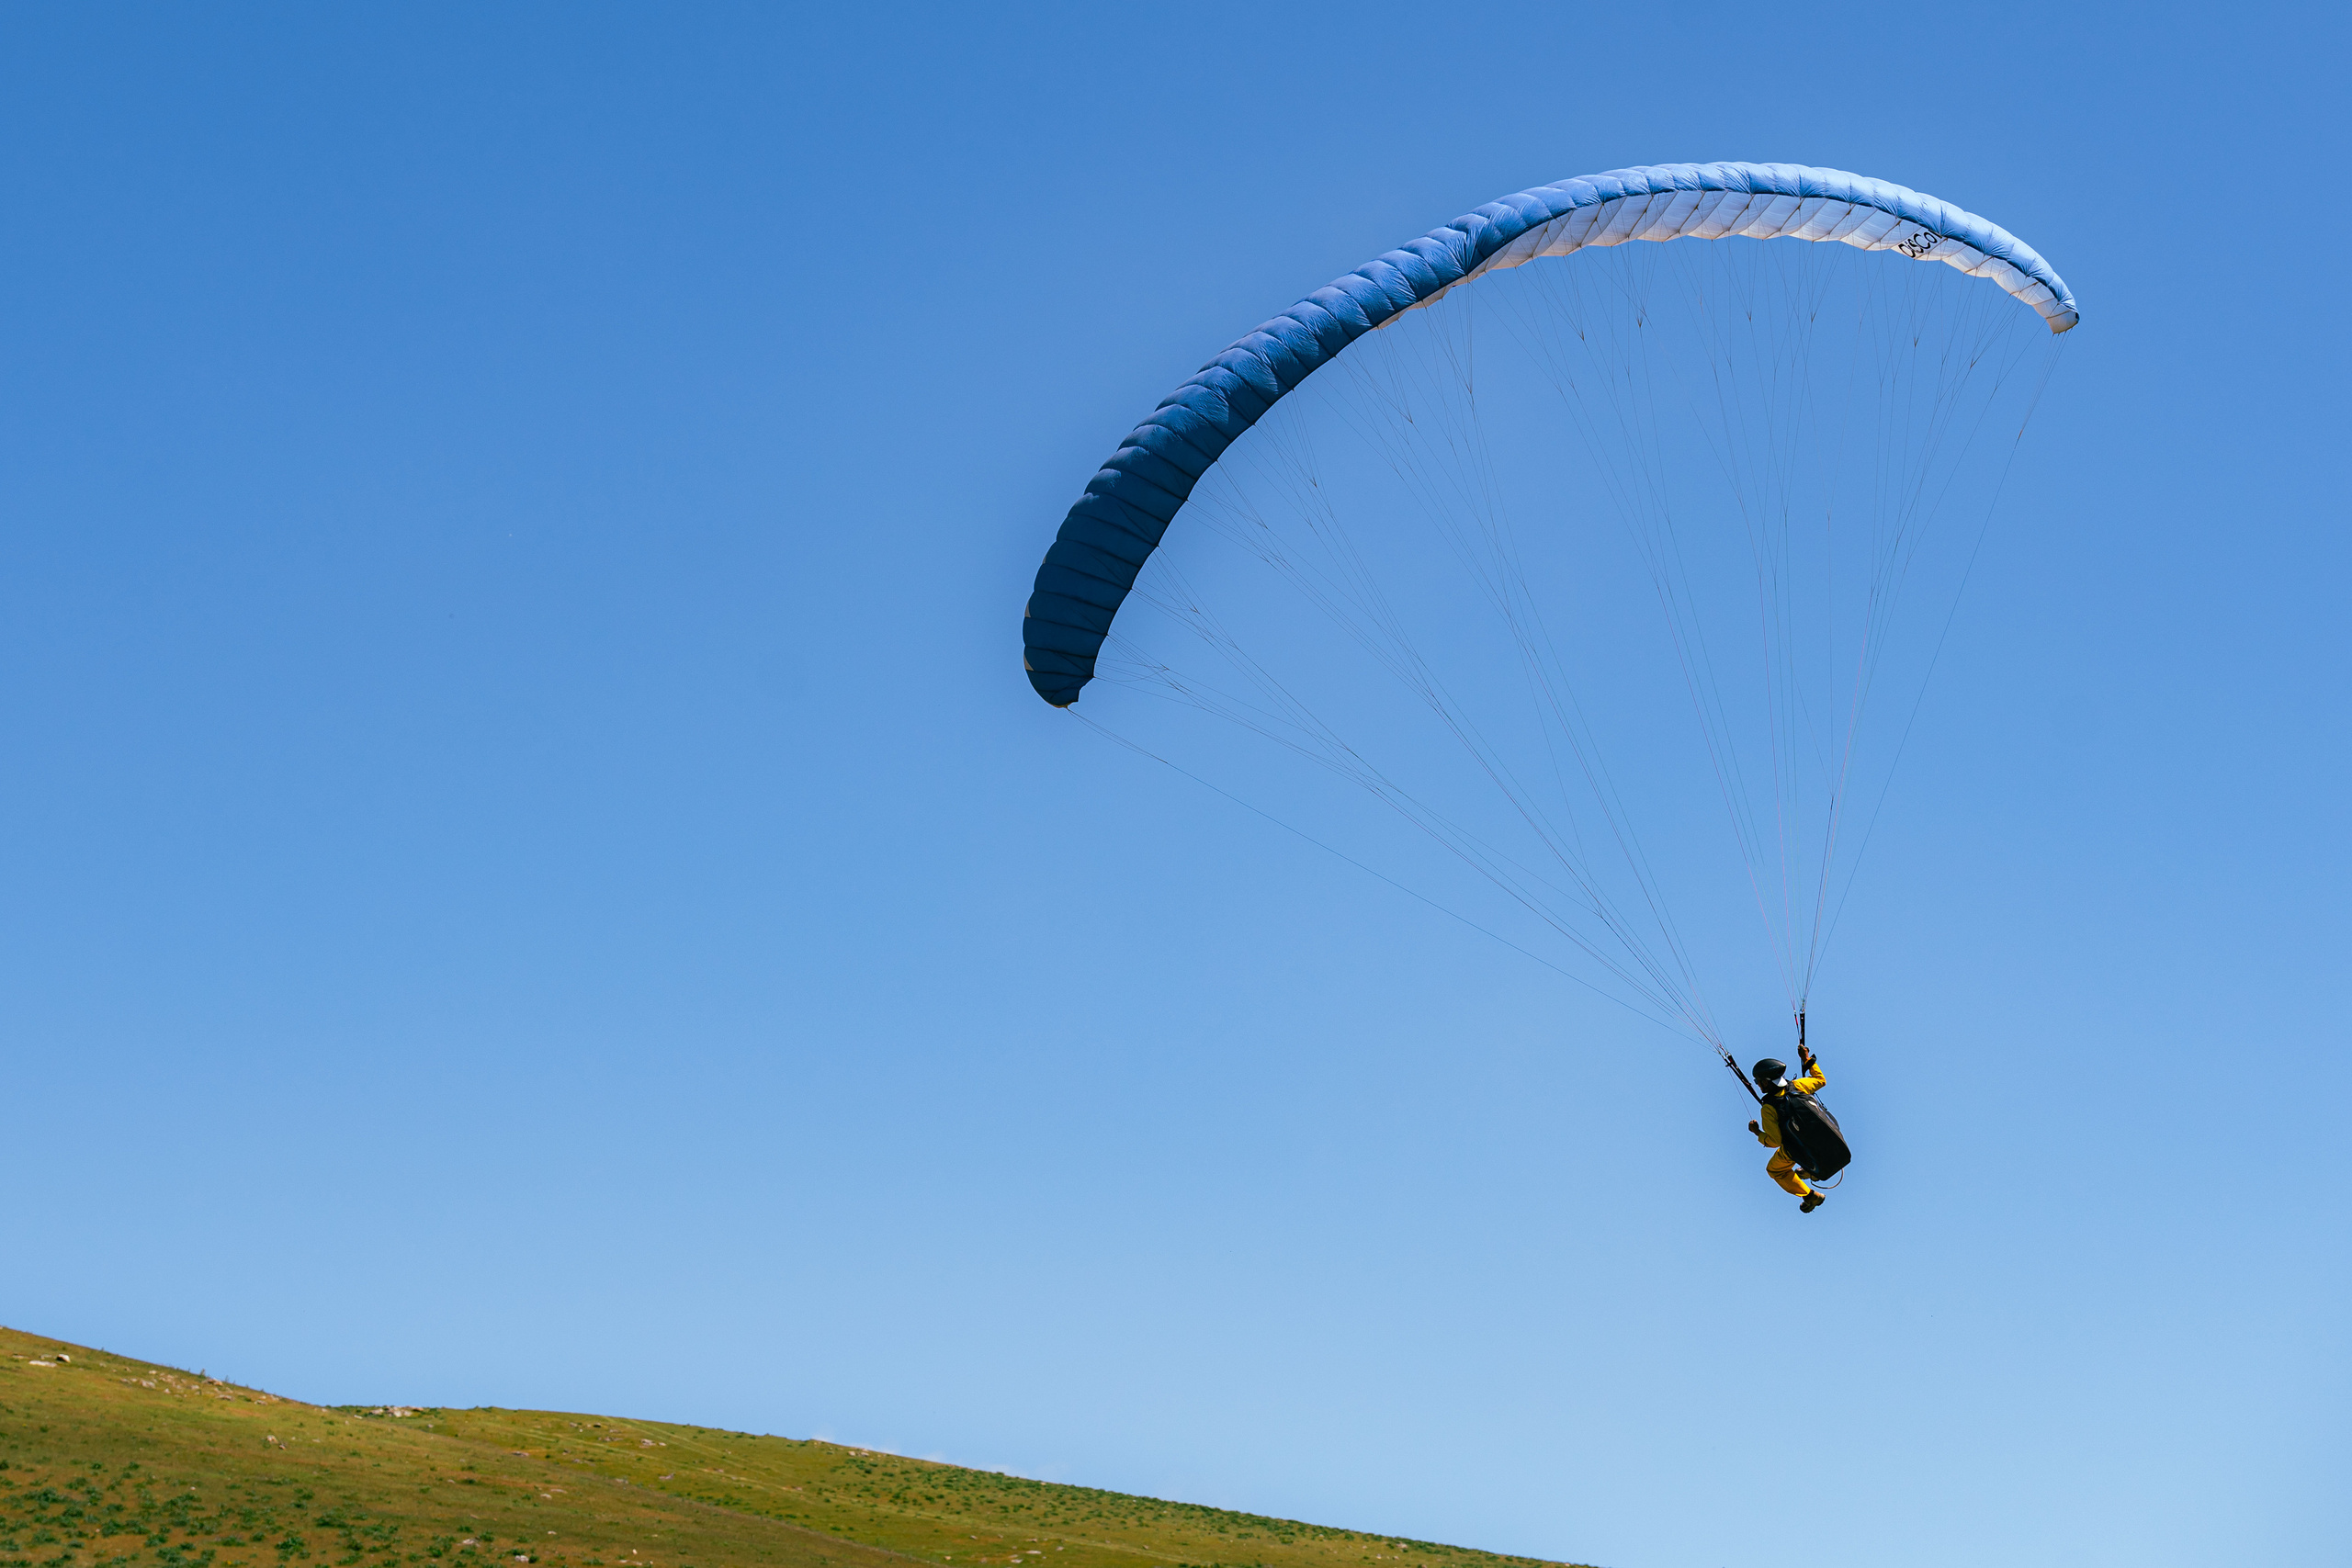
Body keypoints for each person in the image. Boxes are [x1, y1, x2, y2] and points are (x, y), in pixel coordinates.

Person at [1749, 1043, 1828, 1213]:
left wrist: (1757, 1133)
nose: (1758, 1085)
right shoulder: (1798, 1085)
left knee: (1774, 1170)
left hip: (1797, 1148)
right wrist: (1807, 1059)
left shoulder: (1769, 1108)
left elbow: (1775, 1142)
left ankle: (1810, 1195)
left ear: (1766, 1082)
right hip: (1821, 1137)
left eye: (1758, 1081)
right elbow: (1820, 1080)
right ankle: (1808, 1170)